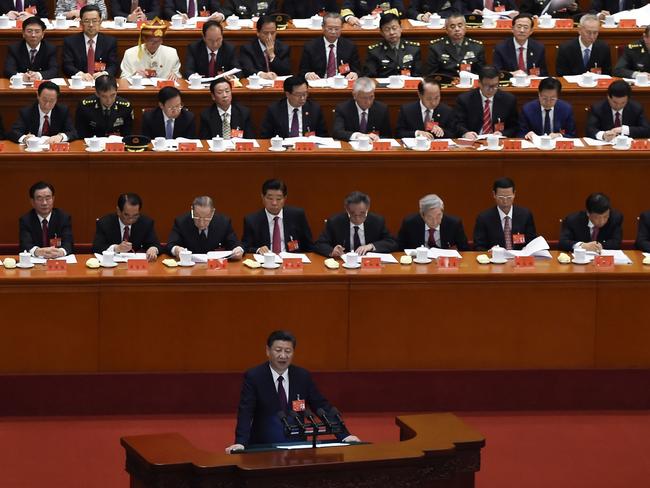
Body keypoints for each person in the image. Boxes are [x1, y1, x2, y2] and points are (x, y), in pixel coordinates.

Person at [225, 330, 361, 453]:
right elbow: (245, 412)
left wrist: (345, 435)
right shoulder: (255, 376)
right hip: (264, 446)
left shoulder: (302, 376)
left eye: (288, 351)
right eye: (278, 350)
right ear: (268, 351)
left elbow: (321, 406)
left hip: (298, 446)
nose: (283, 355)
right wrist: (240, 443)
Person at [314, 191, 398, 257]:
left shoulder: (377, 221)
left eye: (362, 214)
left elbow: (392, 242)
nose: (357, 218)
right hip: (343, 266)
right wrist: (332, 251)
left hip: (369, 265)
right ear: (347, 210)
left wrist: (371, 246)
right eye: (353, 214)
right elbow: (319, 244)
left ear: (367, 209)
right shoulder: (335, 222)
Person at [241, 179, 314, 254]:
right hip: (265, 262)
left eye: (278, 199)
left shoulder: (297, 216)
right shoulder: (252, 220)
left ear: (285, 198)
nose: (274, 203)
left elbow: (309, 246)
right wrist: (258, 249)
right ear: (262, 197)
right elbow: (245, 247)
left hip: (292, 261)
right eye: (269, 198)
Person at [166, 195, 244, 259]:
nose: (201, 223)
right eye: (197, 218)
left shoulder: (223, 223)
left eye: (206, 218)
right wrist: (176, 249)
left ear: (213, 212)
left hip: (216, 268)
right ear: (192, 210)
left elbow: (235, 244)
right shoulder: (181, 222)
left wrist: (238, 250)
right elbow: (170, 245)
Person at [92, 193, 161, 261]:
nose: (131, 219)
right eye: (126, 215)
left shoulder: (146, 223)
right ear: (118, 211)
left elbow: (155, 244)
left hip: (135, 266)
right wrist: (116, 248)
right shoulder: (104, 223)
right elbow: (97, 247)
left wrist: (153, 249)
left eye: (135, 215)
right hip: (112, 266)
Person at [473, 177, 537, 251]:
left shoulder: (525, 215)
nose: (505, 201)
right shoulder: (484, 218)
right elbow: (478, 246)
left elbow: (532, 242)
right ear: (494, 194)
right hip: (495, 260)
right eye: (501, 197)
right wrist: (489, 252)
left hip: (519, 260)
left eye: (509, 197)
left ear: (514, 194)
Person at [455, 65, 518, 139]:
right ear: (479, 83)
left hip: (498, 142)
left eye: (495, 85)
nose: (491, 90)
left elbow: (514, 126)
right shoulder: (465, 99)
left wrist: (502, 133)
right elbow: (458, 124)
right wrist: (466, 133)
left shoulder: (508, 100)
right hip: (474, 141)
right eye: (487, 86)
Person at [260, 75, 328, 138]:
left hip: (306, 148)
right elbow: (265, 136)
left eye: (305, 94)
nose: (303, 98)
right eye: (298, 95)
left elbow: (322, 135)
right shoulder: (274, 110)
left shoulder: (314, 109)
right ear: (287, 94)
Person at [9, 81, 77, 144]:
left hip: (54, 151)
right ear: (38, 96)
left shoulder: (62, 111)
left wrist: (60, 137)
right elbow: (14, 132)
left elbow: (73, 132)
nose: (47, 104)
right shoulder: (27, 112)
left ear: (56, 99)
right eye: (44, 100)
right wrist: (25, 138)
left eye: (51, 101)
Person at [300, 13, 361, 81]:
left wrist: (354, 74)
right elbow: (303, 71)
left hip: (342, 83)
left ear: (342, 28)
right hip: (319, 82)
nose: (333, 32)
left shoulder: (349, 46)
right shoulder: (311, 46)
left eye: (337, 29)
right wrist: (308, 74)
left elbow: (357, 69)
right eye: (330, 28)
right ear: (323, 27)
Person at [19, 181, 73, 258]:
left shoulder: (63, 218)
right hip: (36, 264)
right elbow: (25, 245)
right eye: (39, 199)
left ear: (53, 199)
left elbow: (68, 243)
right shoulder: (26, 220)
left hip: (58, 261)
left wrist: (61, 252)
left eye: (48, 198)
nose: (44, 203)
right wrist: (37, 251)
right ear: (32, 202)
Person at [62, 5, 117, 80]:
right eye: (87, 21)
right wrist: (80, 74)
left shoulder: (110, 42)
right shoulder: (70, 41)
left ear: (100, 22)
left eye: (94, 21)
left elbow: (113, 65)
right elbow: (67, 65)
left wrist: (104, 74)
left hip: (102, 82)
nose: (91, 25)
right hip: (79, 82)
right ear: (81, 23)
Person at [397, 194, 469, 250]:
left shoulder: (454, 224)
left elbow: (465, 249)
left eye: (439, 215)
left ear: (442, 211)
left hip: (445, 264)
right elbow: (399, 248)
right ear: (422, 215)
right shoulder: (410, 223)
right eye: (430, 217)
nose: (435, 222)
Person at [586, 80, 650, 141]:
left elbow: (646, 130)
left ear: (628, 99)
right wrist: (603, 135)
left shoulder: (636, 108)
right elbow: (590, 130)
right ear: (608, 97)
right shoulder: (597, 108)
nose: (618, 106)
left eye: (623, 103)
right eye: (615, 102)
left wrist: (624, 130)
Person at [427, 11, 485, 78]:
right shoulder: (435, 47)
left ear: (465, 28)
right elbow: (431, 76)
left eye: (460, 26)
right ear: (446, 30)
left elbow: (481, 75)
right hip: (446, 85)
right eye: (452, 26)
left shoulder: (477, 47)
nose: (457, 29)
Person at [332, 77, 392, 141]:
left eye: (371, 97)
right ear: (355, 95)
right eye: (364, 98)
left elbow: (387, 135)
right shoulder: (343, 109)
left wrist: (378, 138)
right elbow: (337, 132)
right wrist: (359, 136)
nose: (368, 102)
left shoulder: (382, 109)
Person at [363, 13, 421, 78]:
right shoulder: (374, 51)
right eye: (387, 29)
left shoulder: (413, 49)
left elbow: (418, 77)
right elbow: (370, 78)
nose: (391, 32)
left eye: (394, 28)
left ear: (401, 28)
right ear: (381, 32)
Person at [4, 17, 58, 81]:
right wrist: (21, 76)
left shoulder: (50, 48)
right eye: (29, 31)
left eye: (37, 31)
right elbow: (8, 70)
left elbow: (54, 70)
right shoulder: (15, 48)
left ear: (43, 34)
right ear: (23, 33)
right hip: (21, 85)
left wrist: (39, 75)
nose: (33, 35)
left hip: (41, 85)